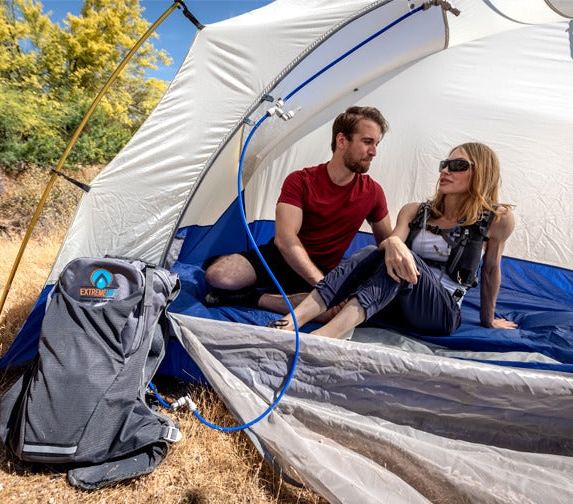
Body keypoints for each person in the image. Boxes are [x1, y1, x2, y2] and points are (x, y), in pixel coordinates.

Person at [269, 142, 518, 338]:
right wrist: (395, 243)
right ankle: (291, 321)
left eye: (457, 165)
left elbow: (491, 270)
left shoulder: (497, 219)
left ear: (481, 172)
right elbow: (387, 245)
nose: (445, 170)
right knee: (372, 252)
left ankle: (325, 336)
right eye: (445, 164)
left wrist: (489, 319)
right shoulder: (414, 211)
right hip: (393, 305)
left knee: (404, 264)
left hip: (440, 314)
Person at [203, 106, 393, 315]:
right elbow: (285, 239)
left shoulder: (373, 192)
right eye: (367, 142)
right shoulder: (300, 181)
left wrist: (396, 248)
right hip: (281, 258)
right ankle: (279, 293)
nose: (374, 151)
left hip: (324, 269)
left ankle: (253, 298)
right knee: (218, 275)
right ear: (341, 141)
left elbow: (385, 243)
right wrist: (321, 285)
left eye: (376, 144)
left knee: (336, 313)